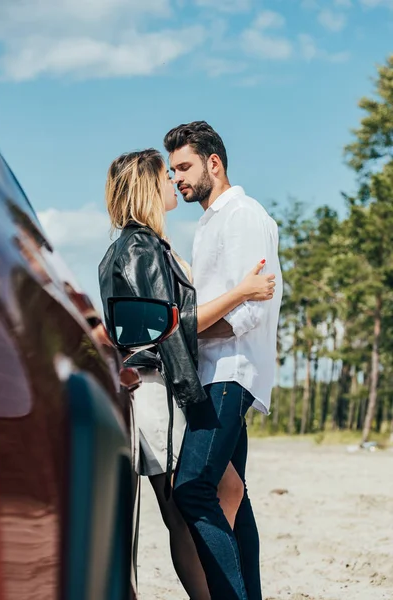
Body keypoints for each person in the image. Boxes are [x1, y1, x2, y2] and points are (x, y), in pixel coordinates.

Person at [98, 149, 276, 600]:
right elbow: (172, 323)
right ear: (146, 186)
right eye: (165, 174)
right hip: (160, 391)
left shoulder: (146, 246)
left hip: (162, 388)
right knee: (184, 507)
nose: (172, 182)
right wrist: (242, 292)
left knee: (217, 493)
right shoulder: (139, 247)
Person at [164, 121, 283, 600]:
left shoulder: (244, 216)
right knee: (238, 499)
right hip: (211, 373)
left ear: (214, 162)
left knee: (192, 488)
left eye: (185, 167)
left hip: (229, 373)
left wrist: (185, 329)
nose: (177, 178)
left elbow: (248, 314)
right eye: (172, 171)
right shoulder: (210, 220)